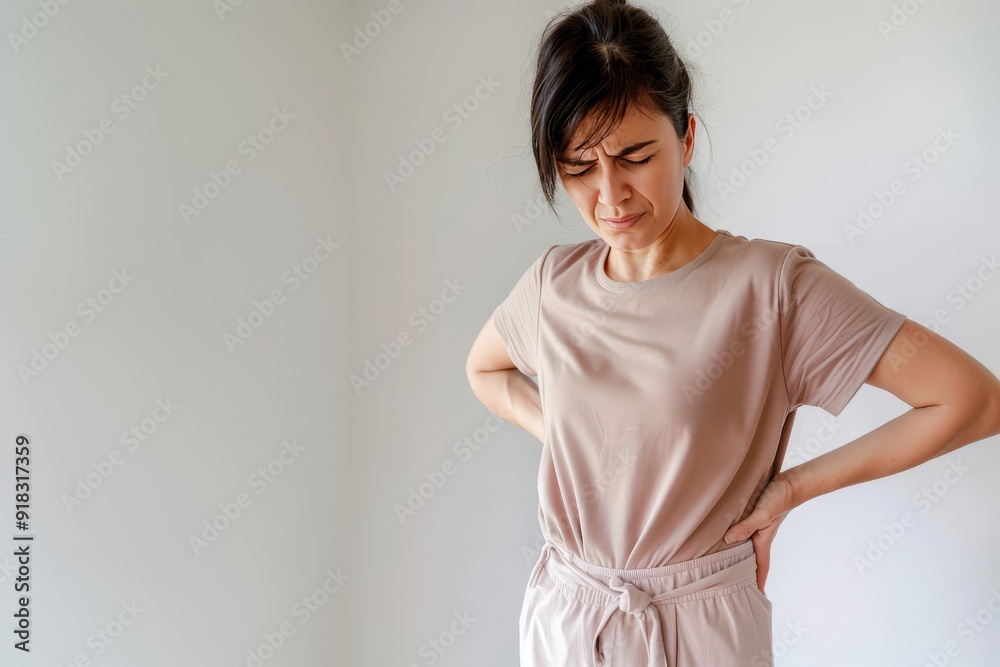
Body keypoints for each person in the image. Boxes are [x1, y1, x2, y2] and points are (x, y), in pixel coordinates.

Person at [464, 1, 1000, 665]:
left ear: (686, 137)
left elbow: (973, 398)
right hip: (569, 620)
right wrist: (575, 436)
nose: (611, 196)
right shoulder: (553, 284)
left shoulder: (772, 287)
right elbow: (484, 370)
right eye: (578, 166)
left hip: (700, 629)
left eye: (634, 156)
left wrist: (793, 488)